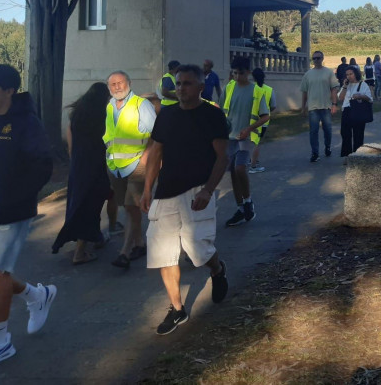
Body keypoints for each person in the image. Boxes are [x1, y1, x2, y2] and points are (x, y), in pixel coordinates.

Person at [140, 64, 230, 335]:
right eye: (178, 83)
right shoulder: (166, 115)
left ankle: (217, 269)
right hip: (166, 192)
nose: (181, 88)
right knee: (163, 253)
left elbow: (222, 158)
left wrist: (208, 190)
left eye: (187, 84)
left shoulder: (212, 116)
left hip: (197, 190)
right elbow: (155, 152)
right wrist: (147, 189)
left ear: (201, 87)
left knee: (199, 253)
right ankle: (177, 309)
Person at [0, 65, 56, 368]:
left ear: (9, 91)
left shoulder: (27, 123)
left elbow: (43, 166)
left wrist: (14, 198)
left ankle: (0, 341)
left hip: (11, 212)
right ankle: (35, 295)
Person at [52, 82, 111, 264]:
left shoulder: (77, 113)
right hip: (94, 165)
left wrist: (72, 152)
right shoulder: (101, 115)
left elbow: (70, 133)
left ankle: (96, 237)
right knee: (90, 205)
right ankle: (80, 252)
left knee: (79, 203)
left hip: (79, 165)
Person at [104, 70, 157, 269]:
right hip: (115, 166)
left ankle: (124, 252)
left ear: (129, 83)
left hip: (137, 165)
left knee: (131, 206)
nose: (117, 87)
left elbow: (156, 133)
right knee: (128, 207)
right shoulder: (110, 106)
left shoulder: (141, 105)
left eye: (120, 82)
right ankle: (140, 244)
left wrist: (147, 156)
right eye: (113, 84)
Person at [219, 56, 269, 227]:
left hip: (246, 137)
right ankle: (241, 208)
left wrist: (248, 128)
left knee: (240, 168)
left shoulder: (257, 91)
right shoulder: (229, 88)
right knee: (233, 171)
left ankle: (248, 201)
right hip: (230, 136)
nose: (237, 76)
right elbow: (221, 110)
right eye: (234, 73)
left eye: (240, 73)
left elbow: (265, 116)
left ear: (248, 72)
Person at [300, 50, 339, 163]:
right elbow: (304, 92)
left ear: (322, 59)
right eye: (314, 58)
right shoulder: (308, 74)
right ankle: (315, 153)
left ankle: (327, 147)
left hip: (326, 106)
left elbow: (333, 89)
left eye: (318, 58)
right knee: (313, 131)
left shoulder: (328, 72)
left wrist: (334, 104)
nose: (316, 60)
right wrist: (303, 107)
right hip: (313, 108)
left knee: (328, 130)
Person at [338, 66, 372, 157]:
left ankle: (357, 156)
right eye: (347, 75)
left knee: (358, 134)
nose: (349, 76)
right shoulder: (346, 86)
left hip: (358, 111)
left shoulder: (363, 85)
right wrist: (344, 86)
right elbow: (340, 98)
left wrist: (360, 96)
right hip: (346, 111)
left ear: (355, 74)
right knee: (345, 134)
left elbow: (370, 99)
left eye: (351, 74)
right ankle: (347, 155)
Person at [248, 68, 274, 174]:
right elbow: (273, 105)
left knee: (247, 143)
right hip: (263, 121)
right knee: (257, 143)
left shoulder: (249, 88)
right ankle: (253, 166)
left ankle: (250, 160)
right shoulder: (269, 89)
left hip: (249, 120)